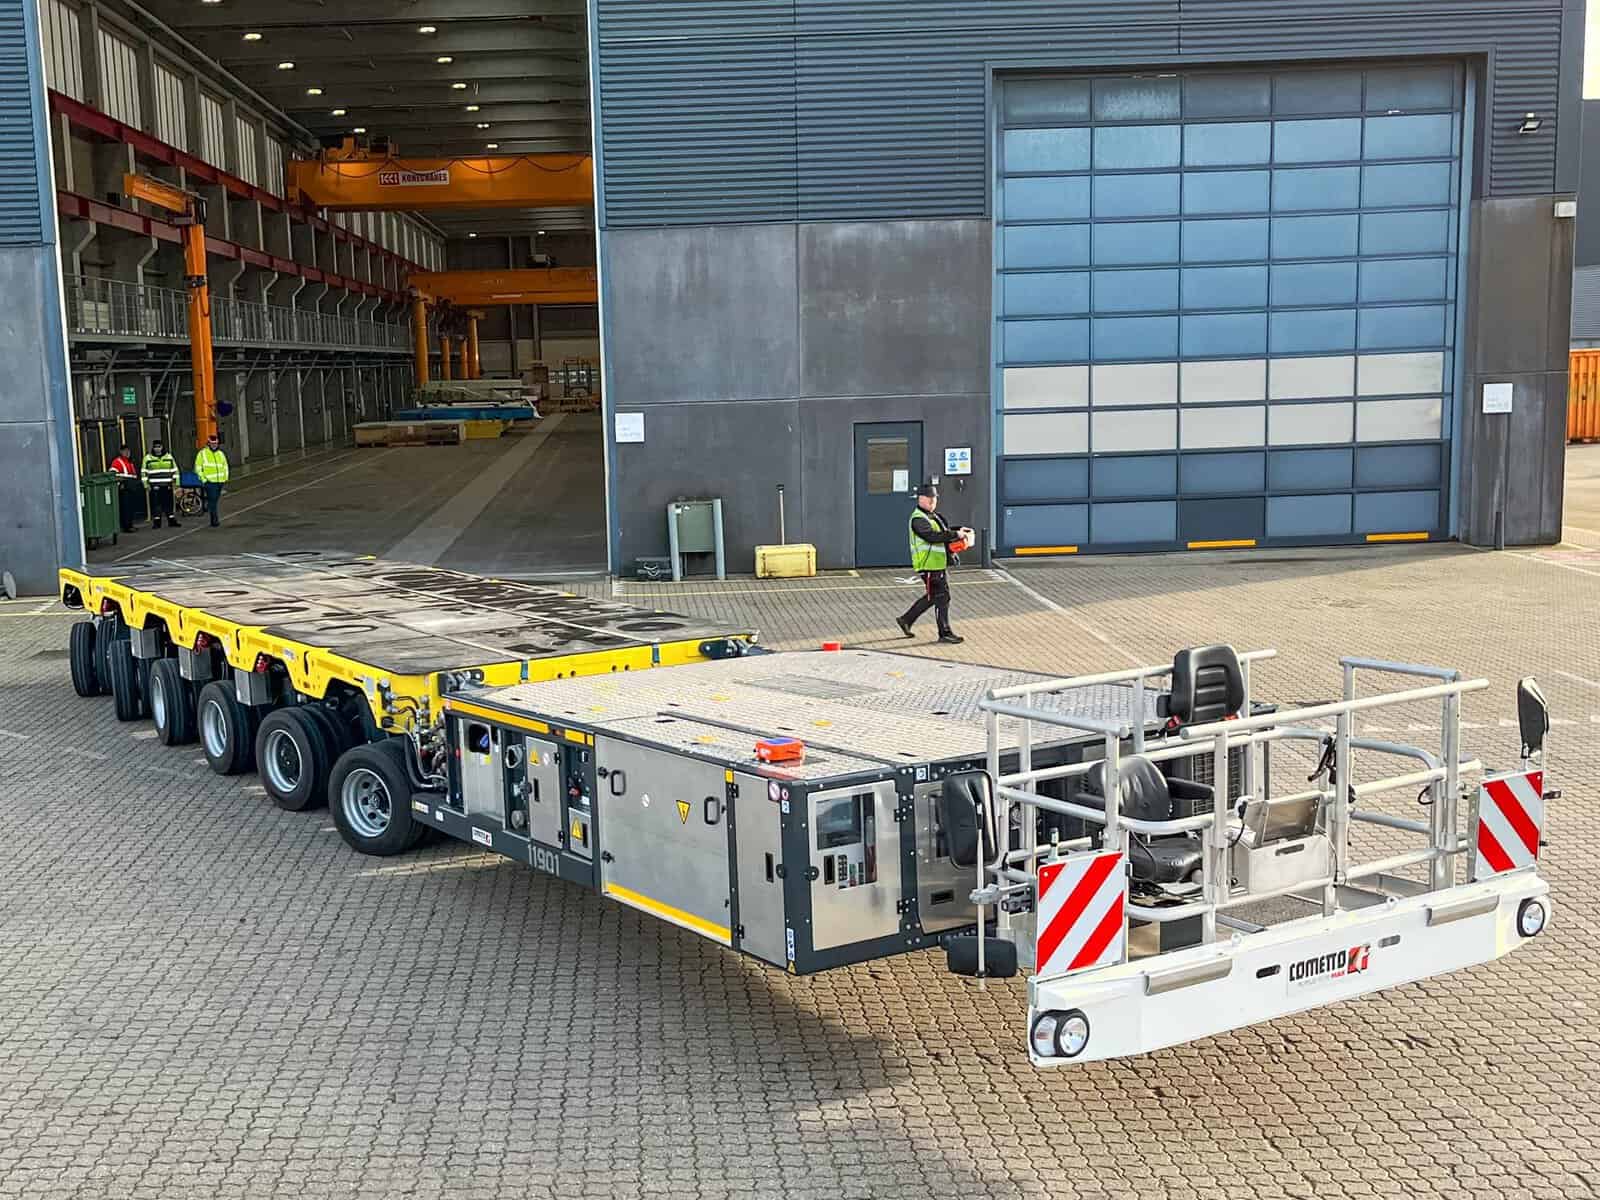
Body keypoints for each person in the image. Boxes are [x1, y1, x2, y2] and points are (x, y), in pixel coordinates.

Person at [896, 482, 972, 645]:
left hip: (936, 564)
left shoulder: (932, 516)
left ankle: (906, 620)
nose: (933, 502)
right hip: (928, 565)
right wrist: (956, 534)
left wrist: (959, 530)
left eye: (934, 499)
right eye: (929, 499)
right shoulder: (918, 519)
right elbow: (932, 536)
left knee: (934, 597)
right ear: (920, 499)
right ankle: (944, 632)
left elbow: (943, 530)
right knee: (942, 597)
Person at [141, 438, 180, 529]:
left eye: (159, 447)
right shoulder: (148, 458)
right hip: (155, 486)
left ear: (162, 447)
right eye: (155, 447)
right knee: (156, 505)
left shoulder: (169, 457)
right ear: (153, 448)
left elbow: (175, 471)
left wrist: (176, 483)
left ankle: (171, 521)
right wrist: (146, 485)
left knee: (169, 504)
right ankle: (157, 522)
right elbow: (143, 472)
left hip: (167, 485)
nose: (157, 449)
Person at [194, 432, 230, 527]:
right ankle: (214, 520)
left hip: (220, 482)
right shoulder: (202, 454)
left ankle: (208, 505)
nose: (214, 445)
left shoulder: (221, 454)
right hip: (210, 482)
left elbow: (225, 466)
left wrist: (225, 478)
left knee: (215, 500)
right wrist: (204, 479)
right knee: (213, 501)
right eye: (212, 444)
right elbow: (198, 468)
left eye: (216, 444)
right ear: (208, 444)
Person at [108, 444, 139, 533]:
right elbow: (113, 474)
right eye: (125, 451)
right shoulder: (117, 462)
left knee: (130, 508)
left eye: (128, 451)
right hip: (124, 488)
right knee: (125, 508)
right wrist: (120, 484)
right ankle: (126, 526)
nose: (127, 453)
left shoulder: (129, 462)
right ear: (121, 452)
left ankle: (130, 524)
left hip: (131, 487)